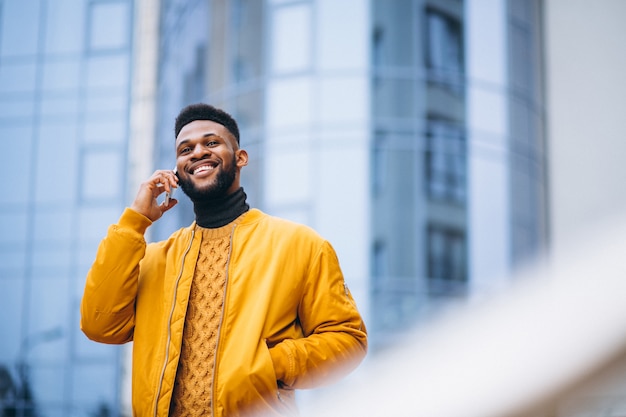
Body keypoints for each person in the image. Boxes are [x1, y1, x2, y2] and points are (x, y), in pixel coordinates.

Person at [80, 103, 368, 417]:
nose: (198, 152)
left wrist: (267, 365)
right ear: (177, 169)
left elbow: (348, 340)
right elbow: (99, 325)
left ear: (240, 157)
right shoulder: (153, 259)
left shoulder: (300, 244)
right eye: (186, 149)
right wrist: (135, 221)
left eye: (212, 142)